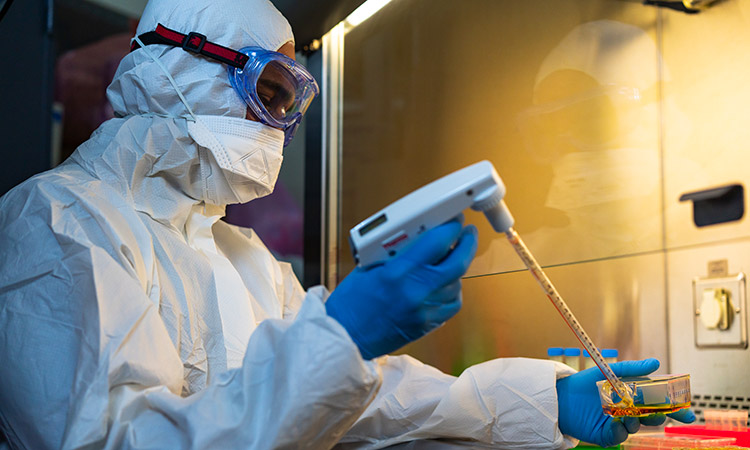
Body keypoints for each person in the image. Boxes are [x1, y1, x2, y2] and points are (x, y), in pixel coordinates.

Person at [0, 0, 693, 448]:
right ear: (176, 70)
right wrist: (340, 336)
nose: (282, 127)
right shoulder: (58, 223)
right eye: (269, 92)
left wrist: (544, 399)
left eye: (293, 103)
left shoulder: (241, 256)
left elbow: (373, 400)